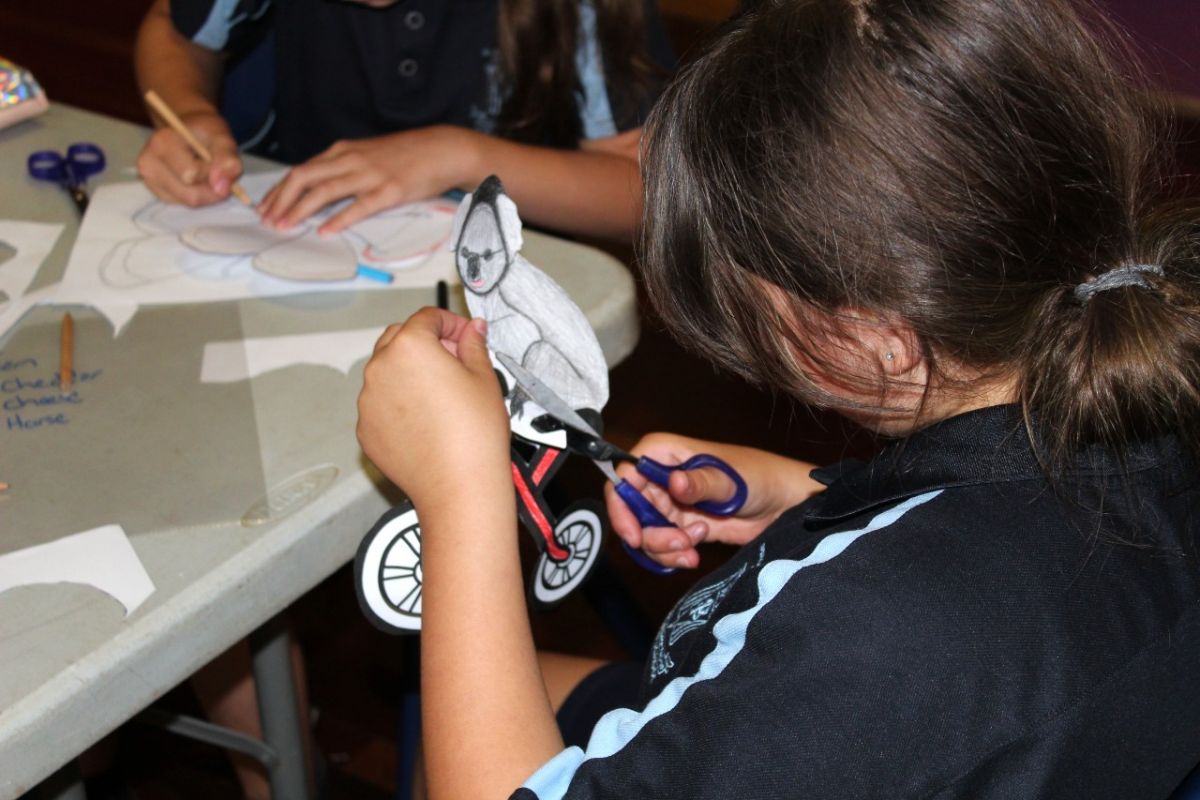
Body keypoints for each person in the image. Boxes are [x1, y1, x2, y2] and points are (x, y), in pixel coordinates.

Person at [355, 0, 1200, 797]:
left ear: (875, 341)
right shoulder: (1153, 373)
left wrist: (460, 491)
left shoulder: (881, 630)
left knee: (454, 718)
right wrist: (800, 493)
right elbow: (1015, 528)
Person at [133, 0, 672, 239]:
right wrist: (187, 112)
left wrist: (459, 157)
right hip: (287, 243)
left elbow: (648, 195)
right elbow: (177, 28)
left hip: (494, 293)